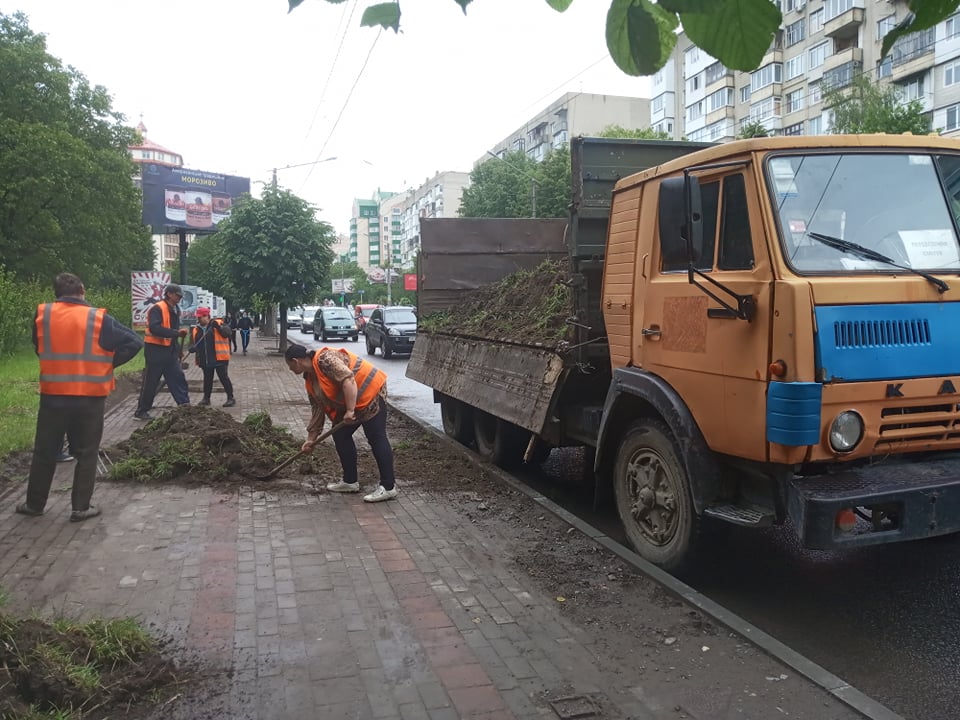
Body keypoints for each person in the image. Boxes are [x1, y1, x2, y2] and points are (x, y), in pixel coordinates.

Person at [17, 272, 143, 521]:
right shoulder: (97, 318)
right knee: (86, 452)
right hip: (89, 397)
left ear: (57, 293)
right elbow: (134, 342)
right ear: (82, 291)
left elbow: (39, 347)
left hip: (53, 395)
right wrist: (107, 365)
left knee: (45, 450)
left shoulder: (44, 315)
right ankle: (80, 508)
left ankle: (34, 505)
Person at [283, 343, 398, 503]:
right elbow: (317, 410)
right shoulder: (310, 379)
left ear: (296, 361)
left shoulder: (325, 359)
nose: (290, 370)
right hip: (354, 401)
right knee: (340, 435)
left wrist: (350, 411)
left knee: (375, 436)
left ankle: (388, 487)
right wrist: (311, 440)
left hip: (371, 391)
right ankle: (350, 481)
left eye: (290, 366)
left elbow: (348, 379)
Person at [134, 284, 189, 420]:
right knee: (151, 382)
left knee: (177, 377)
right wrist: (175, 333)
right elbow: (154, 328)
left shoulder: (175, 309)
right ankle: (141, 411)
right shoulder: (157, 308)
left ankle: (184, 405)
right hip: (155, 351)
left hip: (169, 351)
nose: (180, 298)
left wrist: (177, 350)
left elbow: (174, 331)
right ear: (169, 294)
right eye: (178, 295)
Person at [189, 307, 236, 407]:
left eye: (201, 317)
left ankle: (230, 398)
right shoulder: (196, 330)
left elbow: (228, 333)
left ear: (207, 316)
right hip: (205, 359)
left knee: (223, 377)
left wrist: (219, 328)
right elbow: (196, 343)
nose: (199, 319)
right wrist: (193, 348)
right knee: (207, 379)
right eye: (198, 317)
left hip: (219, 358)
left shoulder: (218, 323)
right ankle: (206, 399)